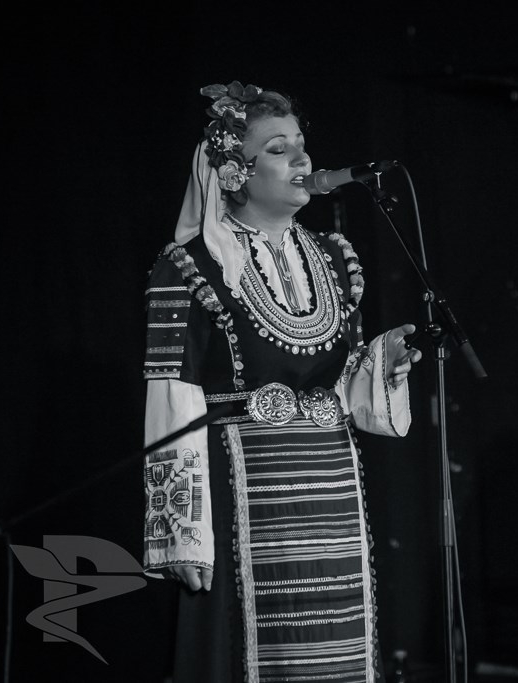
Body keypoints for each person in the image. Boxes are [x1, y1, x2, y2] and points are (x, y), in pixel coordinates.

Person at [142, 81, 422, 683]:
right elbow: (172, 395)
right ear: (234, 172)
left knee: (336, 638)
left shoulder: (333, 257)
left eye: (300, 144)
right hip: (242, 490)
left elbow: (343, 388)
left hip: (330, 485)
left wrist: (383, 363)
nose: (302, 158)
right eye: (277, 148)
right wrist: (181, 533)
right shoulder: (190, 266)